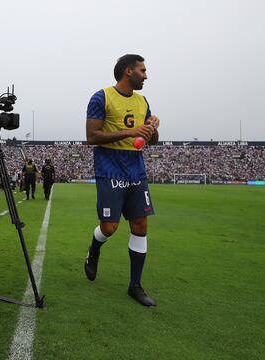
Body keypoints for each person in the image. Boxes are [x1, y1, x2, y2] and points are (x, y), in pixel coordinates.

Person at [84, 54, 160, 307]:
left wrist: (153, 127)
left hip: (136, 168)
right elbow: (92, 136)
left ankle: (135, 285)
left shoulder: (142, 101)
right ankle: (95, 247)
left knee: (140, 226)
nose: (146, 75)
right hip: (110, 166)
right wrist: (132, 131)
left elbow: (153, 139)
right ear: (129, 72)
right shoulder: (101, 97)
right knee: (109, 228)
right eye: (143, 70)